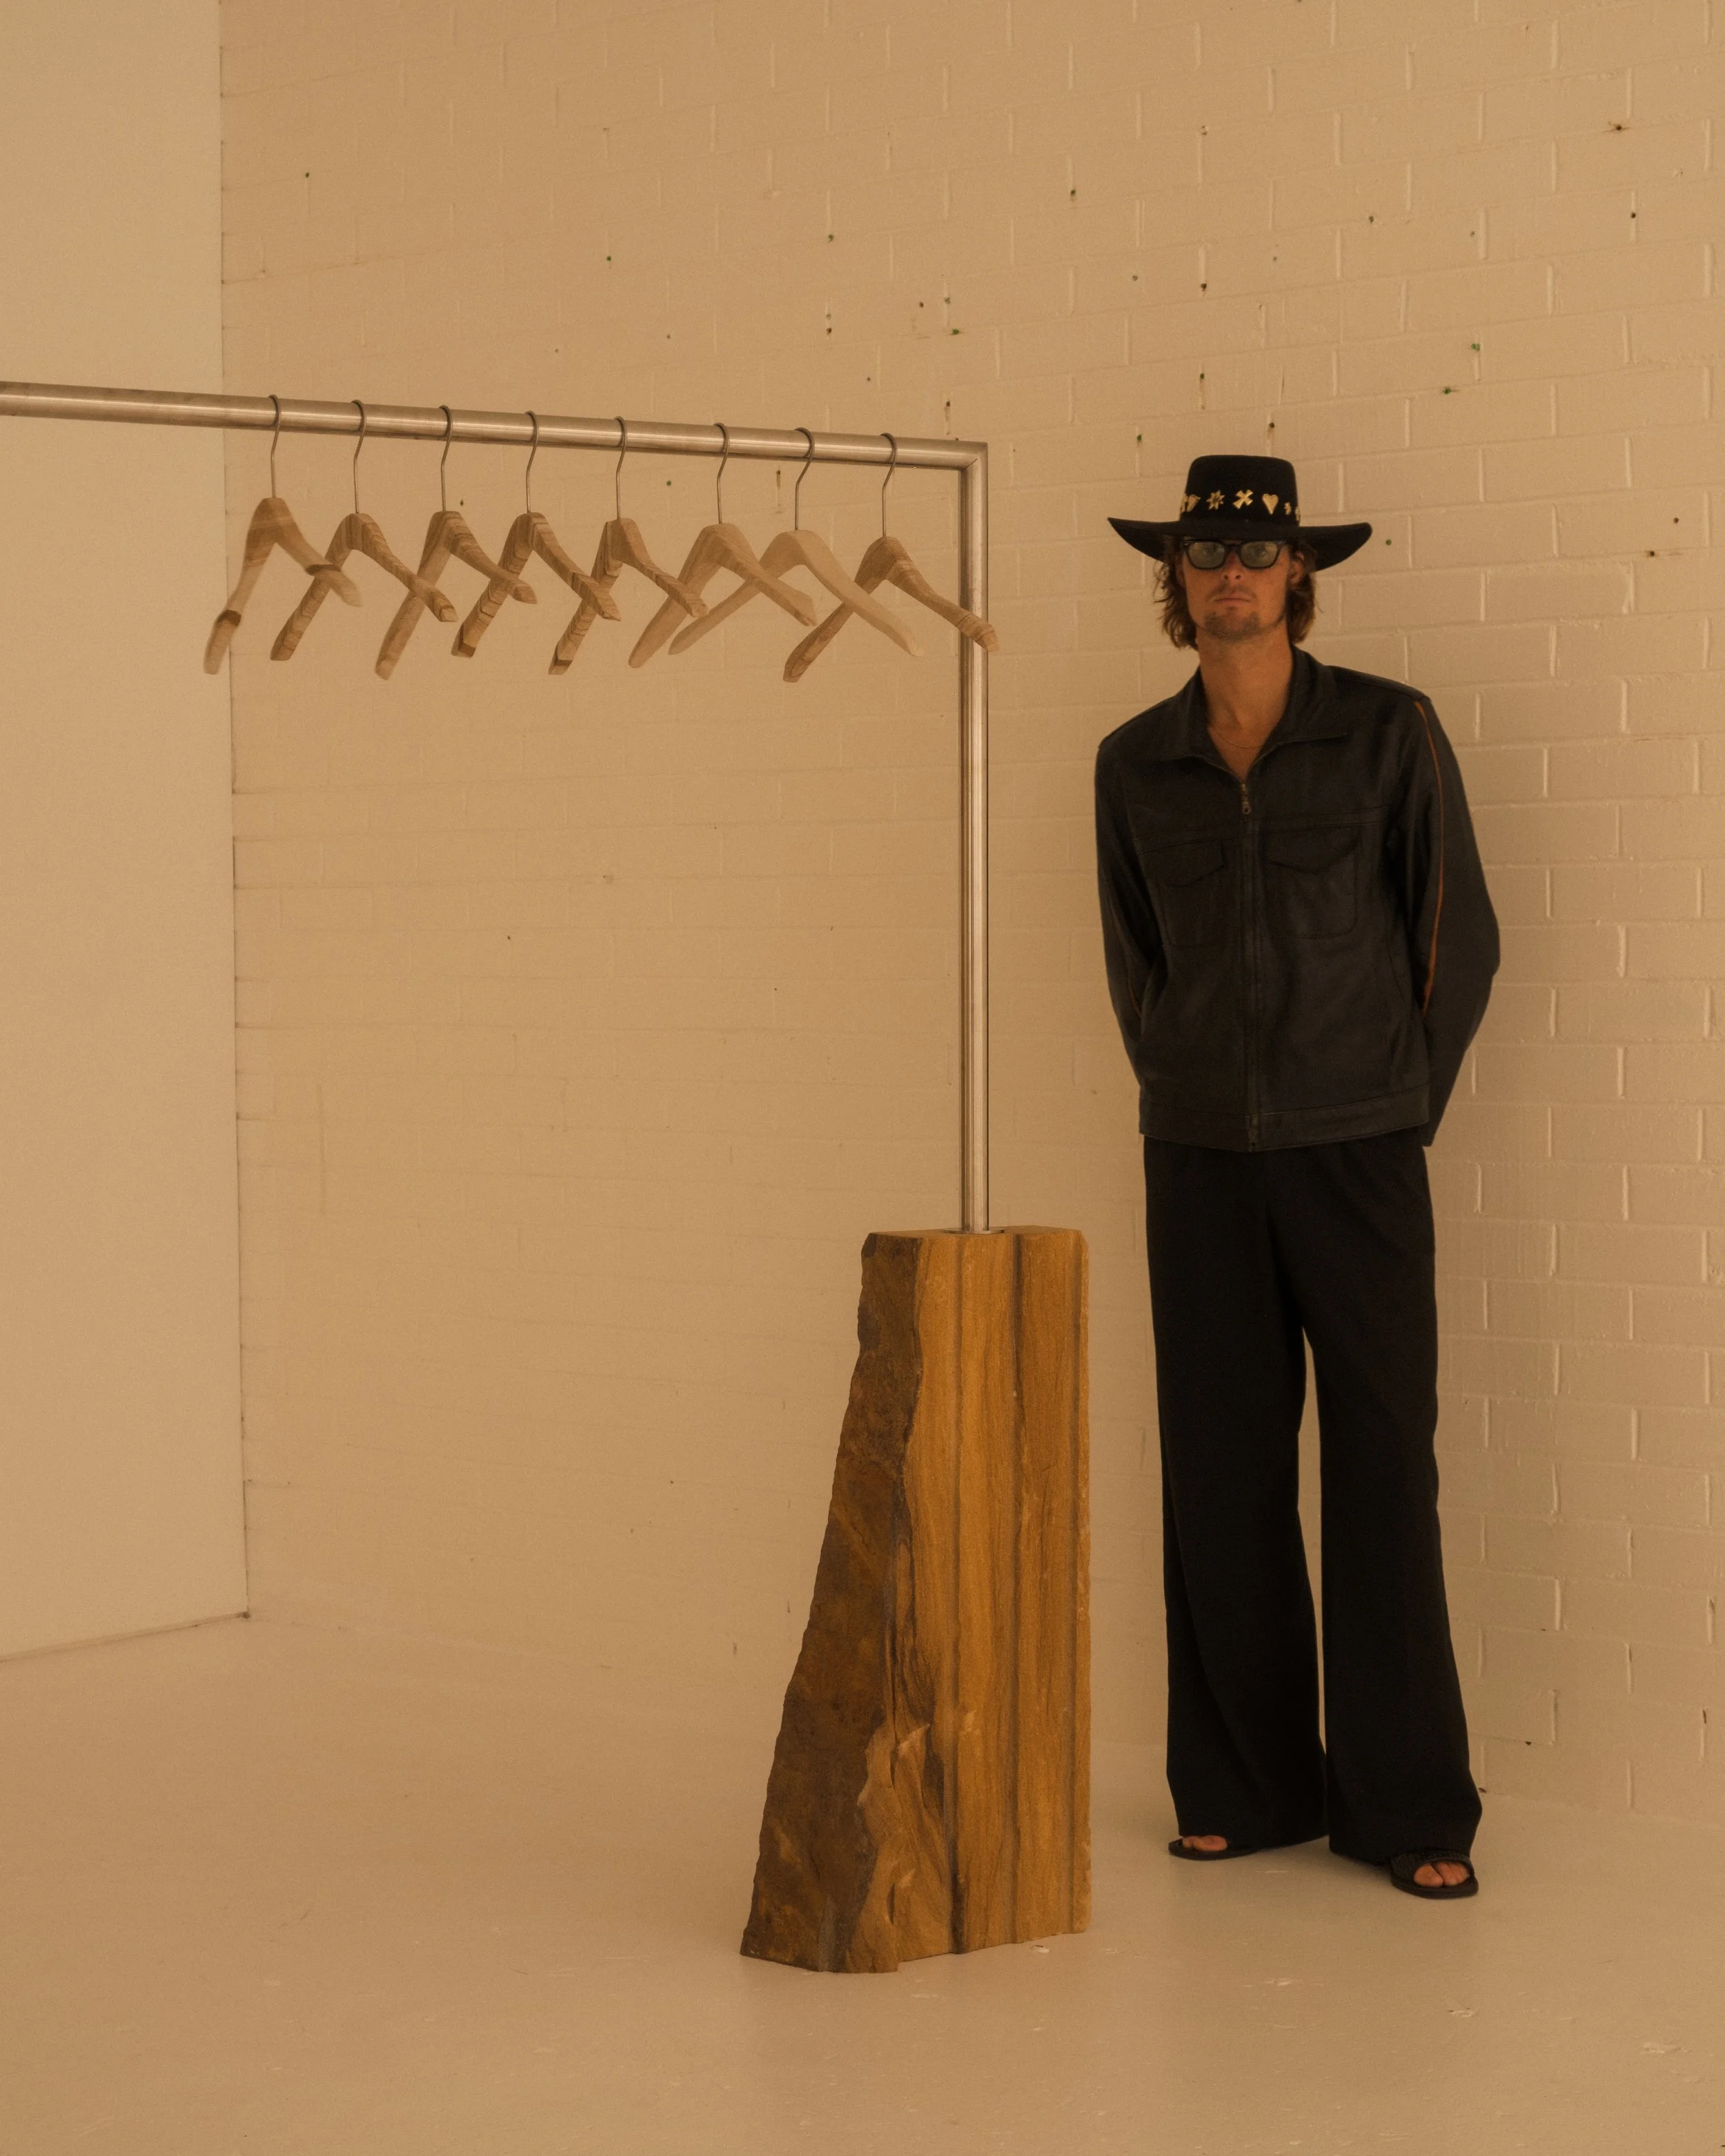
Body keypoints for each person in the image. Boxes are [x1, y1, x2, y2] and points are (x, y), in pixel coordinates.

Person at [1094, 455, 1499, 1902]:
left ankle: (1403, 1801)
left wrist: (1390, 1114)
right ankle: (1242, 1783)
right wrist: (1179, 1087)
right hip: (1197, 1156)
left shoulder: (1387, 734)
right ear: (1175, 576)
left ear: (1295, 577)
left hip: (1357, 1149)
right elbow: (1136, 963)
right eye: (1203, 552)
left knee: (1384, 1468)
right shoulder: (1132, 761)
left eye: (1252, 556)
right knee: (1219, 1471)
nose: (1227, 576)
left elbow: (1460, 942)